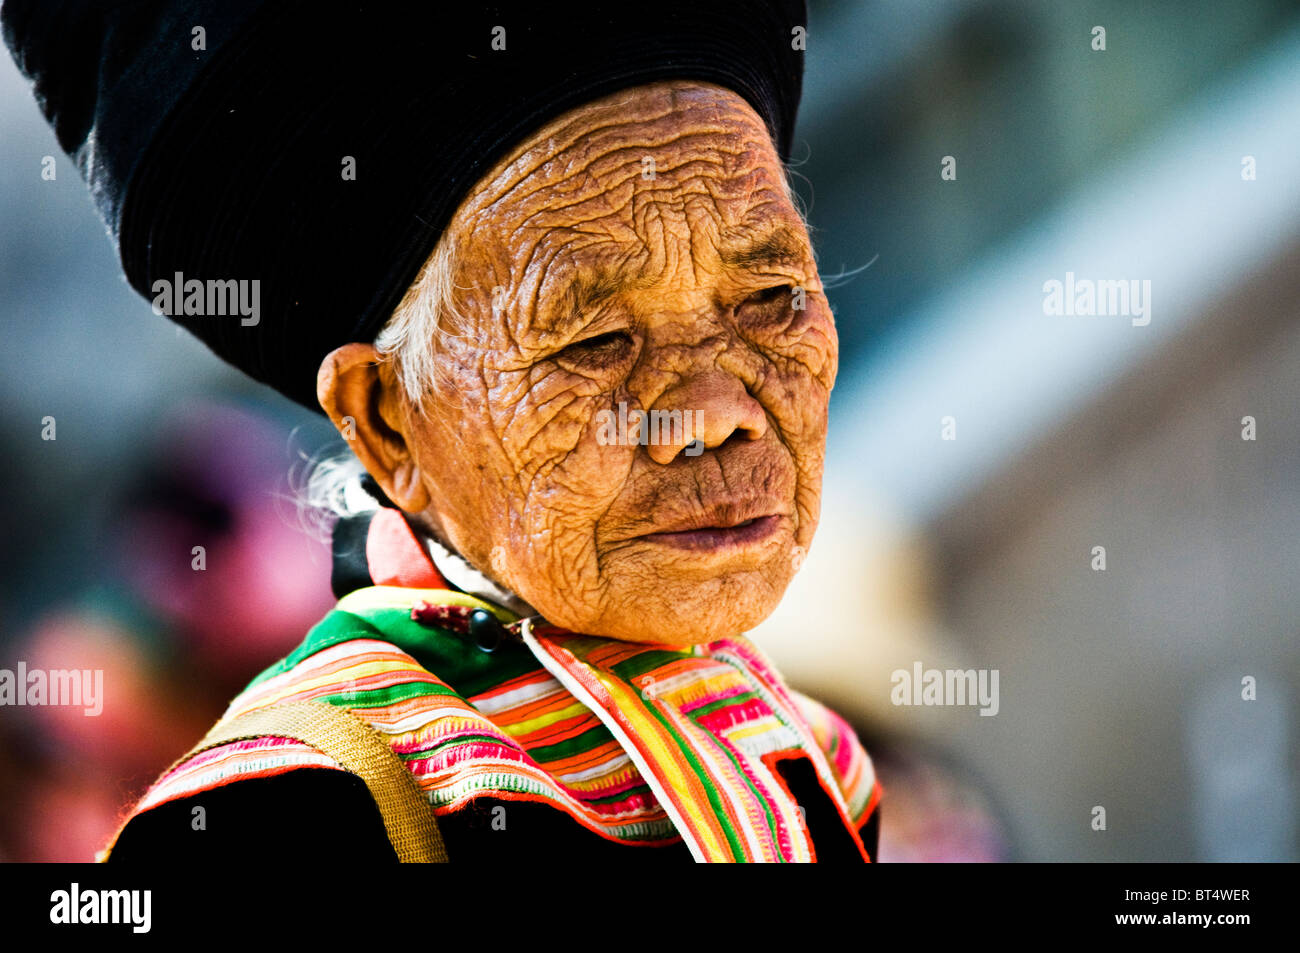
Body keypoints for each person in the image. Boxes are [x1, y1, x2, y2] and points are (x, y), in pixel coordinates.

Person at [4, 0, 881, 862]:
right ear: (388, 423)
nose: (718, 412)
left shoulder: (811, 763)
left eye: (772, 298)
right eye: (597, 343)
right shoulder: (282, 824)